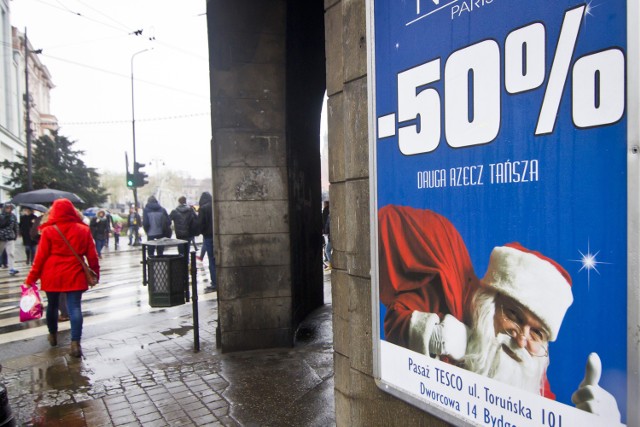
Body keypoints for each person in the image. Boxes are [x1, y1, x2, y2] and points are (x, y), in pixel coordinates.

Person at [378, 204, 620, 420]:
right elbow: (398, 321)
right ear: (489, 305)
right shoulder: (450, 304)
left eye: (537, 333)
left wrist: (588, 421)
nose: (522, 339)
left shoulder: (530, 376)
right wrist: (433, 333)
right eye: (513, 316)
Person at [24, 198, 100, 357]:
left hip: (52, 274)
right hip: (75, 274)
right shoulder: (83, 230)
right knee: (75, 308)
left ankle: (52, 334)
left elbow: (40, 258)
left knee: (52, 306)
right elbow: (92, 256)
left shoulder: (48, 230)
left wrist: (30, 279)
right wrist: (95, 273)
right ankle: (75, 343)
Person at [197, 192, 216, 292]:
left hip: (208, 236)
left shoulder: (203, 208)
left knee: (211, 260)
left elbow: (200, 224)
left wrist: (200, 232)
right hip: (217, 235)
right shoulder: (215, 205)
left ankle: (214, 283)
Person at [0, 203, 20, 276]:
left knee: (11, 253)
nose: (8, 209)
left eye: (10, 208)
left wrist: (16, 234)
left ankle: (12, 268)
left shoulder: (13, 216)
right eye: (7, 208)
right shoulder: (1, 216)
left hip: (10, 237)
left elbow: (16, 226)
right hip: (1, 237)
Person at [322, 201, 332, 271]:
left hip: (330, 236)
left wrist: (325, 232)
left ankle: (331, 264)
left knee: (327, 250)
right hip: (329, 235)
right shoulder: (329, 215)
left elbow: (327, 225)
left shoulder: (329, 215)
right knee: (327, 249)